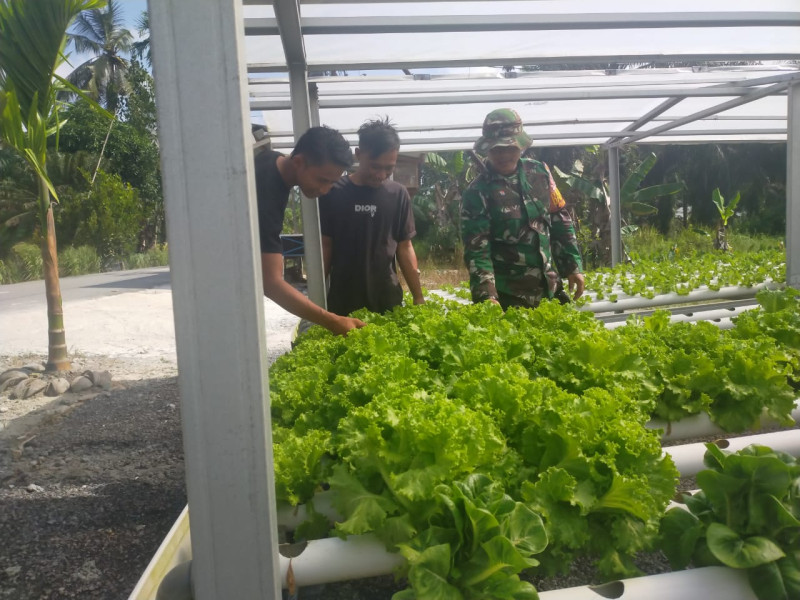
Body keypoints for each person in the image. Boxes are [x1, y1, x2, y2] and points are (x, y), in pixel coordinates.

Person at [461, 108, 584, 309]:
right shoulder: (477, 192)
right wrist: (487, 297)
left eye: (511, 148)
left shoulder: (540, 173)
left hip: (550, 290)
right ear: (487, 149)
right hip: (508, 296)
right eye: (497, 149)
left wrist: (573, 266)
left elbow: (560, 219)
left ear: (521, 146)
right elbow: (477, 249)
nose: (504, 155)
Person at [255, 125, 366, 335]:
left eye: (332, 183)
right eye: (322, 180)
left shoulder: (272, 160)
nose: (325, 190)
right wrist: (333, 321)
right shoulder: (265, 194)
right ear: (299, 162)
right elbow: (271, 282)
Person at [319, 118, 425, 317]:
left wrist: (418, 296)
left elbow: (405, 247)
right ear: (359, 155)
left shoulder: (398, 194)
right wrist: (315, 299)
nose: (381, 174)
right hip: (343, 302)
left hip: (388, 300)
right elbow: (325, 246)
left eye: (389, 168)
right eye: (375, 166)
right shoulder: (333, 191)